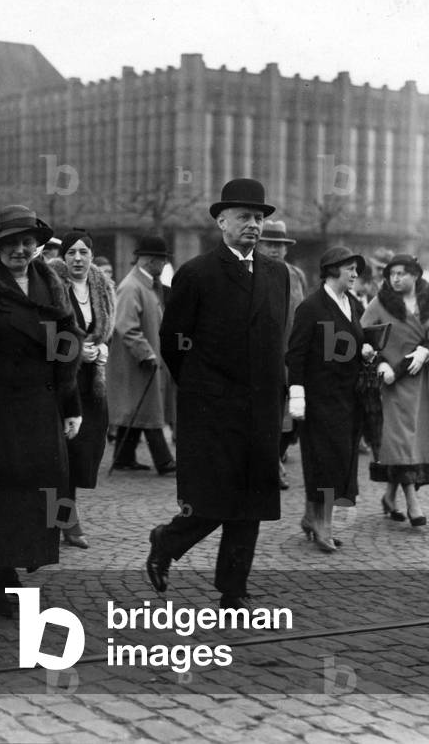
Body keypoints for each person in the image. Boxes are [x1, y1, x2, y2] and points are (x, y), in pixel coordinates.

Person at [150, 178, 289, 609]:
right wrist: (202, 387)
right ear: (221, 221)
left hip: (261, 407)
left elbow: (276, 340)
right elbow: (173, 342)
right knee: (213, 497)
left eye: (259, 217)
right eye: (244, 216)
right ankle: (167, 541)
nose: (253, 225)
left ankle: (233, 589)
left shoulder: (277, 274)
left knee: (252, 502)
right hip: (213, 407)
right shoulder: (197, 274)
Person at [0, 206, 82, 617]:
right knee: (1, 494)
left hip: (42, 405)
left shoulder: (51, 282)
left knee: (39, 492)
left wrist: (71, 403)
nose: (19, 249)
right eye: (11, 243)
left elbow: (67, 344)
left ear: (37, 246)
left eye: (27, 242)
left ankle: (18, 562)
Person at [286, 247, 368, 552]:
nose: (355, 274)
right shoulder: (311, 307)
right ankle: (324, 526)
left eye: (356, 269)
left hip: (349, 398)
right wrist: (297, 394)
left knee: (340, 461)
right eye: (350, 269)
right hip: (320, 399)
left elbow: (355, 341)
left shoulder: (353, 304)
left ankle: (312, 517)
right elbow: (295, 354)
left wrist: (366, 350)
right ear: (333, 270)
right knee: (325, 462)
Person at [360, 254, 429, 526]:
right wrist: (378, 362)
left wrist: (427, 351)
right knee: (401, 441)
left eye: (401, 273)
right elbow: (361, 337)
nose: (395, 278)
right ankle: (413, 503)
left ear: (416, 275)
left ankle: (390, 497)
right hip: (392, 383)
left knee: (413, 443)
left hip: (422, 383)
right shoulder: (380, 302)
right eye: (392, 274)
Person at [48, 230, 115, 548]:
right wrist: (75, 351)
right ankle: (65, 520)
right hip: (62, 380)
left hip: (91, 382)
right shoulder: (52, 285)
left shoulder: (101, 287)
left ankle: (62, 517)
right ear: (63, 257)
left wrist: (101, 348)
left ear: (91, 255)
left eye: (83, 252)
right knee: (62, 454)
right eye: (71, 252)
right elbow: (46, 333)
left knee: (83, 453)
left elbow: (106, 330)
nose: (77, 258)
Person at [108, 237, 177, 474]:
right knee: (149, 409)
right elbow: (126, 326)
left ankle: (123, 458)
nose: (165, 264)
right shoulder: (132, 287)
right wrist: (146, 353)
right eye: (163, 260)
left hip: (142, 362)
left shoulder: (145, 285)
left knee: (138, 407)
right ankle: (164, 461)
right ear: (150, 261)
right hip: (138, 362)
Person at [256, 220, 307, 490]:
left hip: (293, 352)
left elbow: (305, 312)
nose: (275, 250)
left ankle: (276, 456)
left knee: (291, 414)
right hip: (264, 353)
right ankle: (271, 465)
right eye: (269, 244)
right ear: (259, 245)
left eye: (280, 245)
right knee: (268, 412)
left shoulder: (296, 275)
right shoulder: (252, 272)